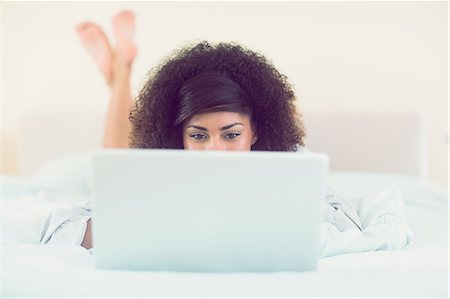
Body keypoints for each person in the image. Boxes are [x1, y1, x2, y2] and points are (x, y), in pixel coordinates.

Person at [41, 10, 362, 250]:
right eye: (198, 135)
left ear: (257, 132)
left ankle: (119, 73)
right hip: (145, 177)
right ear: (179, 135)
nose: (215, 149)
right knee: (116, 162)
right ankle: (122, 72)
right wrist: (142, 208)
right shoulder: (158, 164)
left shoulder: (293, 163)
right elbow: (63, 232)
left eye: (232, 134)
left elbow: (351, 226)